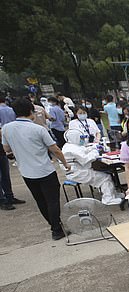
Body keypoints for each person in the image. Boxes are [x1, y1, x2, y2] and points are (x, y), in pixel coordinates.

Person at [2, 97, 70, 240]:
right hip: (45, 171)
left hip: (27, 173)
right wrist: (65, 163)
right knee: (52, 201)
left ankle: (55, 227)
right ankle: (56, 229)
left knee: (41, 201)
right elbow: (55, 149)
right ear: (31, 111)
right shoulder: (38, 129)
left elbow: (6, 148)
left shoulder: (7, 129)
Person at [61, 129, 122, 205]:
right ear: (75, 138)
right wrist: (95, 151)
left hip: (78, 171)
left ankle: (113, 194)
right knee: (105, 178)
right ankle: (108, 199)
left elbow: (84, 150)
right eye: (81, 137)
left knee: (107, 175)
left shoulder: (70, 146)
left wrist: (93, 147)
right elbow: (85, 160)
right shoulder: (71, 149)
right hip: (78, 173)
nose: (83, 139)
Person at [0, 96, 25, 211]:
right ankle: (2, 201)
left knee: (5, 175)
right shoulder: (9, 110)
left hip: (2, 150)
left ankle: (9, 197)